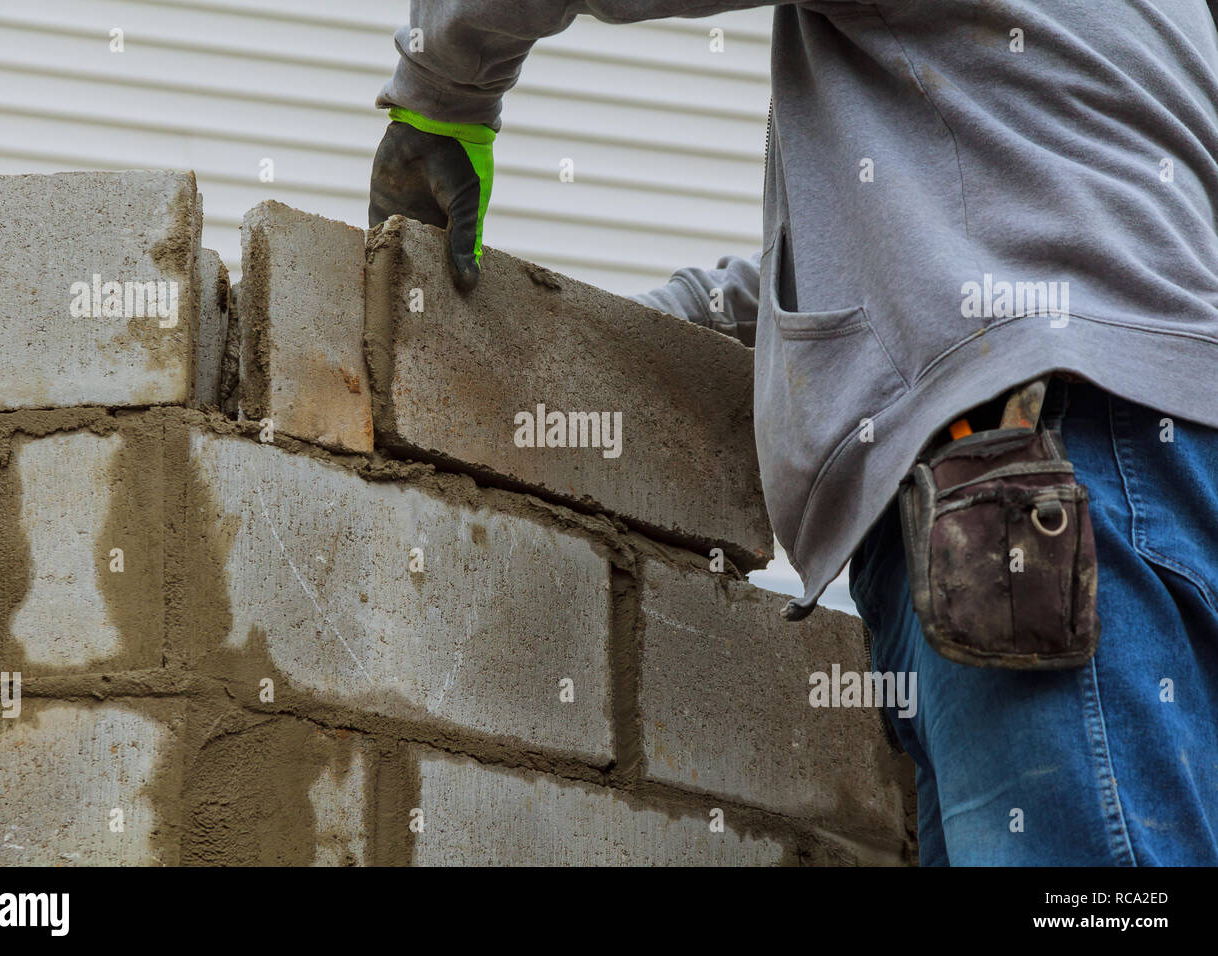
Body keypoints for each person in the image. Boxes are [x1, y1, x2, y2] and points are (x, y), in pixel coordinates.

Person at [368, 1, 1218, 865]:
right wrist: (607, 330)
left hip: (1041, 481)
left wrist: (440, 97)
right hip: (1150, 480)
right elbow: (893, 249)